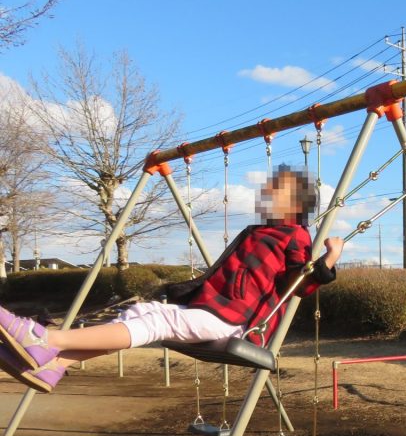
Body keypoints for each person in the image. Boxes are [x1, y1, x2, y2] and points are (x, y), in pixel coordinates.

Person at [0, 165, 343, 394]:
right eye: (268, 189)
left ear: (297, 202)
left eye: (276, 191)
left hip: (240, 323)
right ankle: (56, 364)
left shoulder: (295, 234)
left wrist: (327, 260)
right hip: (217, 312)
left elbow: (297, 284)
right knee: (140, 313)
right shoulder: (262, 231)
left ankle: (47, 340)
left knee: (159, 320)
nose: (267, 194)